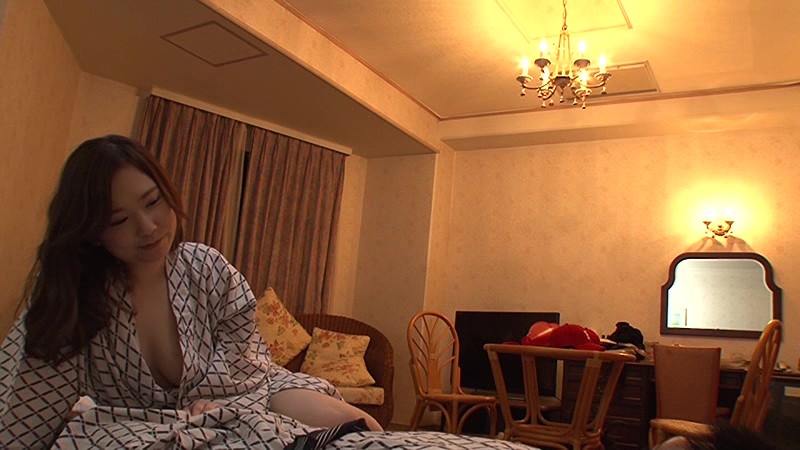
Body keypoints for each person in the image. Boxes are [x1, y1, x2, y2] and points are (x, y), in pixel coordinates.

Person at [0, 135, 381, 448]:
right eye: (119, 220)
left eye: (153, 202)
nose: (148, 227)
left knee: (362, 428)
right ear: (92, 231)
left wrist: (218, 407)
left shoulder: (207, 266)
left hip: (253, 391)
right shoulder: (74, 297)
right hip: (145, 422)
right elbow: (29, 409)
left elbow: (247, 366)